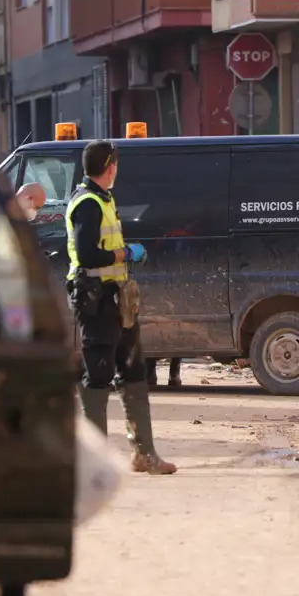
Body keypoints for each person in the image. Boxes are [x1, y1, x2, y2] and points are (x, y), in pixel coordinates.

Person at [66, 140, 176, 475]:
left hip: (117, 299)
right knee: (97, 376)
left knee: (133, 370)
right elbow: (87, 255)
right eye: (117, 165)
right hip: (94, 299)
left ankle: (145, 454)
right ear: (110, 166)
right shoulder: (87, 203)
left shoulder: (103, 199)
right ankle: (93, 463)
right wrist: (125, 254)